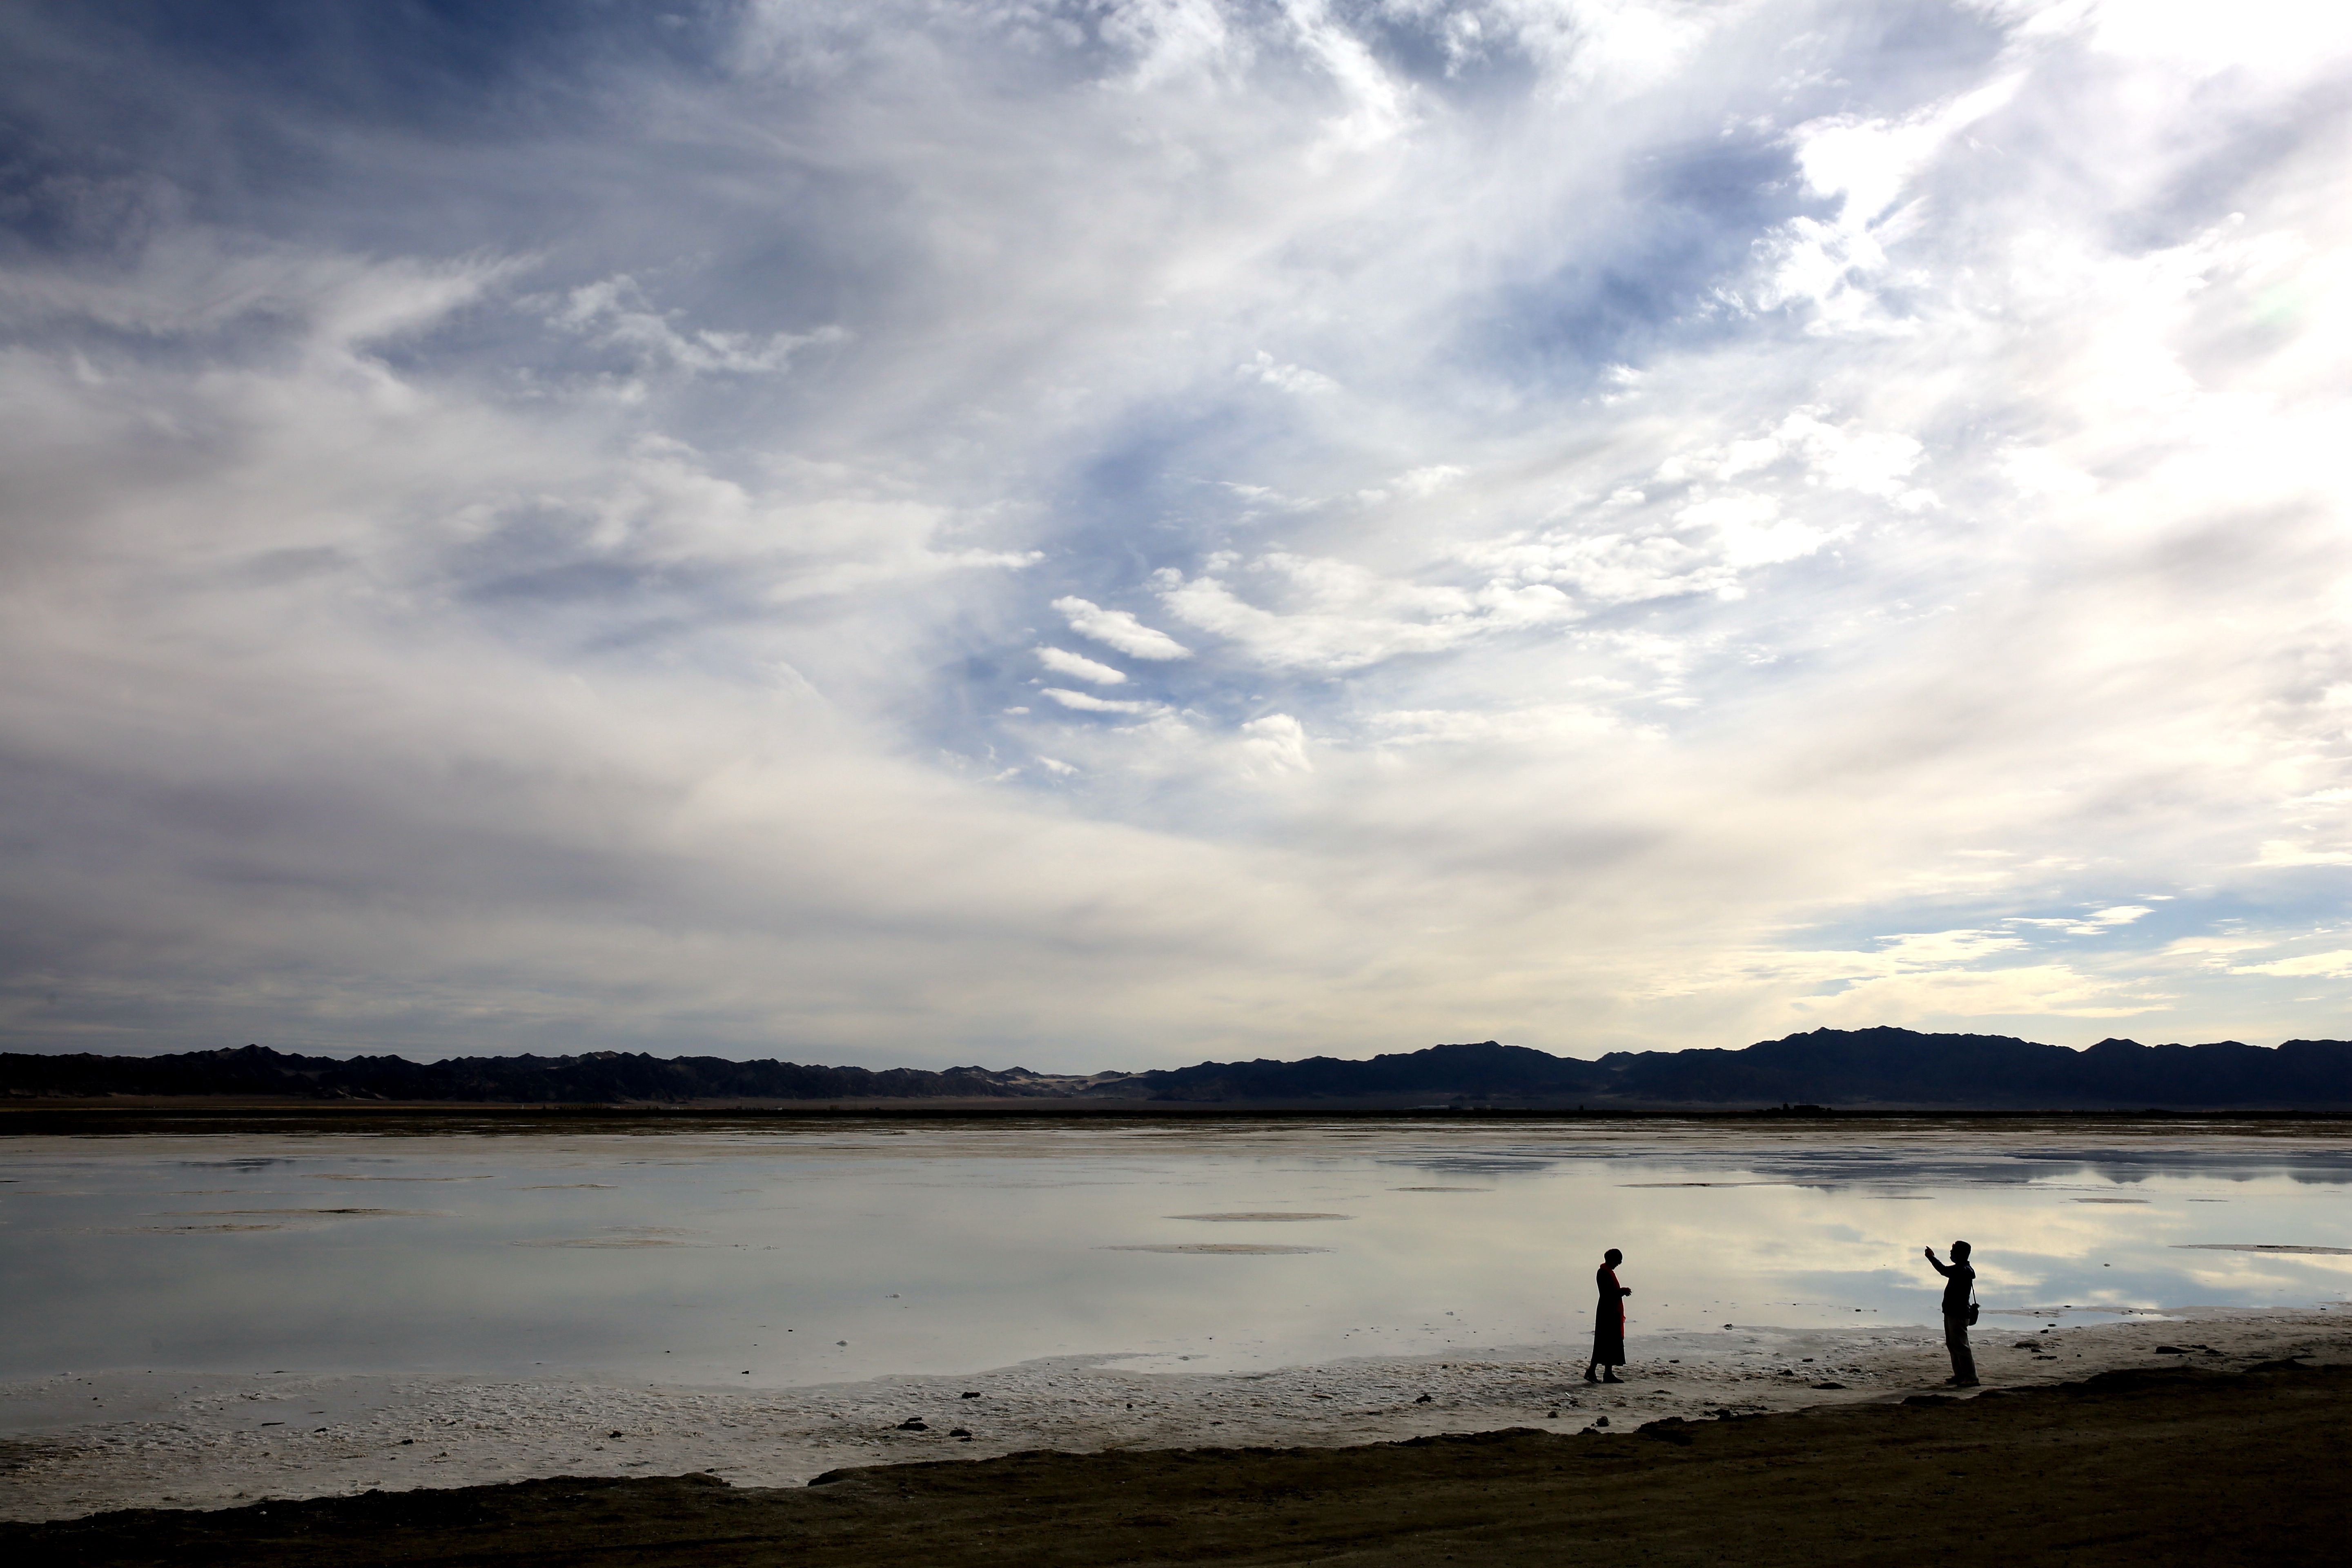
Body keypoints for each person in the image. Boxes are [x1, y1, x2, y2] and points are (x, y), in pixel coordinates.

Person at [1924, 1240, 1978, 1387]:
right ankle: (1960, 1375)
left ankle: (1971, 1377)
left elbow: (1943, 1270)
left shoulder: (1964, 1270)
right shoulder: (1962, 1269)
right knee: (1953, 1345)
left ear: (1960, 1254)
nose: (1951, 1253)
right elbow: (1945, 1270)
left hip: (1958, 1313)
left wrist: (1931, 1257)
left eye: (1953, 1250)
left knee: (1961, 1346)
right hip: (1952, 1311)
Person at [1585, 1247, 1632, 1383]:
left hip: (1610, 1311)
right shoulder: (1603, 1273)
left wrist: (1620, 1292)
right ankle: (1592, 1371)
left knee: (1609, 1343)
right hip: (1607, 1312)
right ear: (1612, 1260)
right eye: (1618, 1261)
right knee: (1603, 1343)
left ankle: (1608, 1374)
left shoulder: (1607, 1272)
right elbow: (1607, 1294)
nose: (1618, 1264)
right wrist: (1622, 1291)